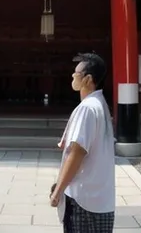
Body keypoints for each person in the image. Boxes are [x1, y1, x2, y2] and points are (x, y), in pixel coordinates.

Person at [50, 52, 115, 232]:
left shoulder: (87, 108)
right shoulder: (101, 104)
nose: (73, 77)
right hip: (101, 197)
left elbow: (77, 152)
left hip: (82, 198)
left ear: (87, 79)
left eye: (76, 74)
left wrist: (58, 190)